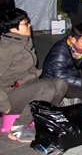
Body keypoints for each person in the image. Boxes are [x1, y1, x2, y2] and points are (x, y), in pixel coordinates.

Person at [0, 8, 68, 143]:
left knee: (61, 84)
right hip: (8, 95)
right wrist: (3, 103)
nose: (29, 25)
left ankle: (47, 118)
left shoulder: (23, 40)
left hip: (23, 87)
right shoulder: (6, 48)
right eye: (25, 23)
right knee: (46, 87)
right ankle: (18, 127)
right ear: (13, 28)